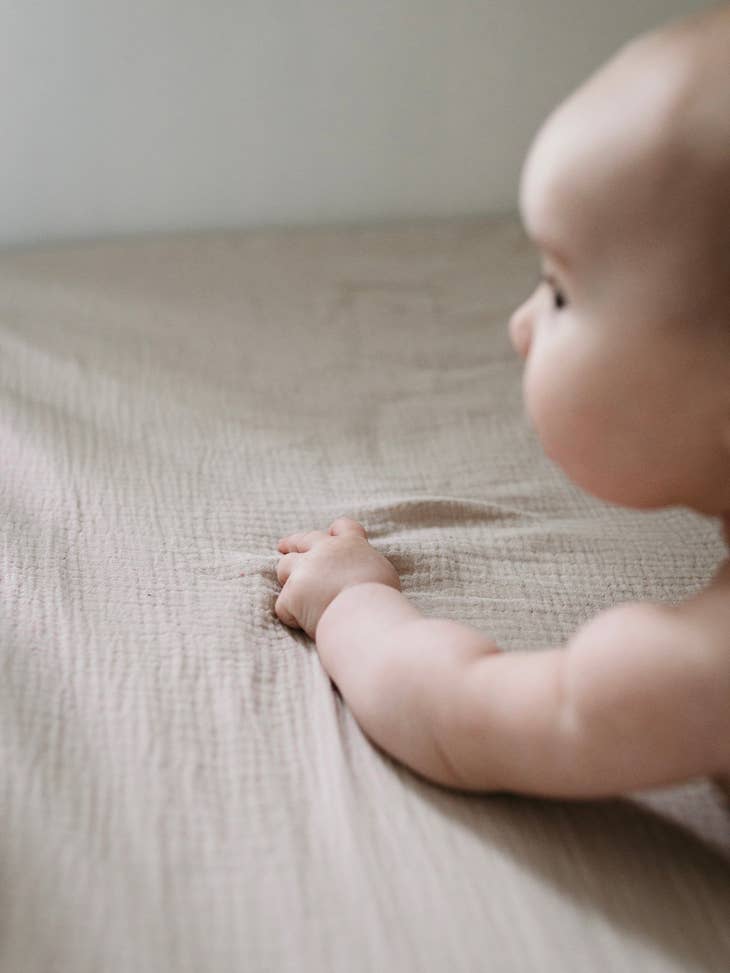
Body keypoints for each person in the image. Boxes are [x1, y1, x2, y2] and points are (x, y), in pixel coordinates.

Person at [273, 4, 730, 798]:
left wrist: (353, 599)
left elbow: (459, 714)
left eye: (559, 290)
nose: (520, 324)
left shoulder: (698, 669)